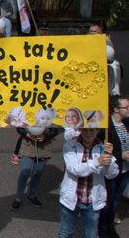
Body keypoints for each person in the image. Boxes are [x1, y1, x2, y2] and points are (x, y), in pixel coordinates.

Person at [58, 128, 118, 238]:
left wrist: (109, 160)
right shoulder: (70, 145)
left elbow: (111, 174)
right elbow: (75, 169)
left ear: (97, 130)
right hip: (70, 198)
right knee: (65, 233)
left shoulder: (102, 147)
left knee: (91, 235)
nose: (88, 133)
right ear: (80, 129)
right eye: (85, 130)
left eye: (92, 130)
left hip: (92, 200)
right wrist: (97, 161)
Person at [99, 95, 129, 238]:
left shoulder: (126, 123)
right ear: (116, 109)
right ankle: (102, 226)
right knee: (108, 199)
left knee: (116, 199)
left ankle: (110, 225)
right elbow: (102, 149)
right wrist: (120, 155)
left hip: (126, 169)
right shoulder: (106, 127)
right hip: (112, 169)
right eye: (126, 107)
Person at [11, 123, 59, 210]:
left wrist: (46, 136)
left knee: (38, 172)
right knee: (25, 171)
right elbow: (19, 127)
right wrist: (27, 134)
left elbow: (55, 130)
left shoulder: (51, 114)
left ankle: (31, 195)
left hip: (43, 148)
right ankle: (18, 198)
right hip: (27, 145)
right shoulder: (26, 111)